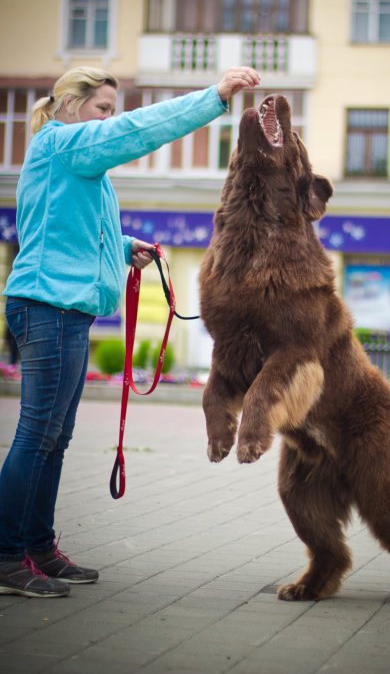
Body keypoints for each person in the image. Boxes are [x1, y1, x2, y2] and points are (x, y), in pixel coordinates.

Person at [0, 64, 260, 598]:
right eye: (102, 108)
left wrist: (121, 247)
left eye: (111, 111)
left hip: (61, 307)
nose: (108, 120)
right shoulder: (64, 143)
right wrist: (214, 96)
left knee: (54, 438)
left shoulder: (67, 158)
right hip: (48, 306)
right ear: (70, 105)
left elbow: (58, 228)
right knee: (38, 435)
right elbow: (139, 130)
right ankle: (5, 557)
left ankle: (38, 548)